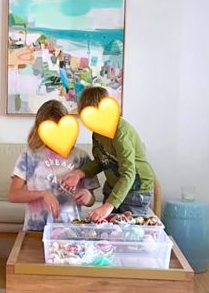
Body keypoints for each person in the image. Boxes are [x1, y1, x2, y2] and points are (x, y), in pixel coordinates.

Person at [62, 86, 155, 220]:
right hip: (113, 187)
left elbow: (129, 173)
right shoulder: (97, 133)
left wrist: (107, 206)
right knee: (107, 229)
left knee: (129, 233)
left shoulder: (121, 133)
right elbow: (101, 162)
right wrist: (79, 173)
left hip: (136, 190)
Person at [8, 100, 99, 231]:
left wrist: (87, 197)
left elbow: (91, 200)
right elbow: (13, 195)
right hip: (35, 229)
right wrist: (43, 194)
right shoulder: (29, 155)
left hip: (70, 230)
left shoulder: (81, 157)